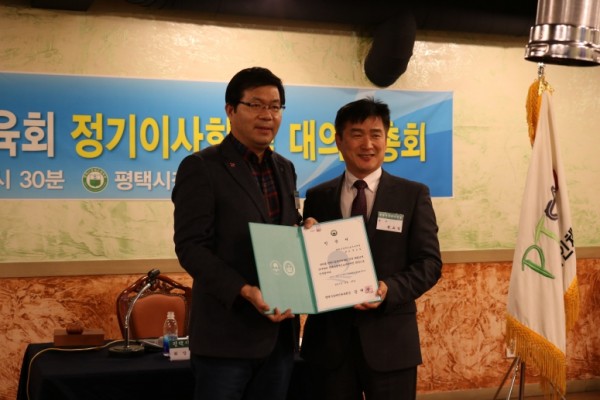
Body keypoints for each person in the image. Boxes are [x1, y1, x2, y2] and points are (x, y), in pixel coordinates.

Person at [172, 67, 302, 400]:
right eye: (256, 105)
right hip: (225, 339)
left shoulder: (285, 168)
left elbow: (284, 229)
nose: (267, 115)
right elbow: (191, 247)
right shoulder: (202, 166)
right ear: (230, 110)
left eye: (275, 106)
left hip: (279, 335)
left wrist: (306, 231)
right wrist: (244, 291)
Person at [300, 97, 442, 400]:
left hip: (391, 344)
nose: (368, 144)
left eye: (376, 134)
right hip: (329, 345)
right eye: (357, 134)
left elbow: (429, 263)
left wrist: (388, 289)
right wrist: (303, 241)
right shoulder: (317, 196)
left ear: (386, 139)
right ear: (339, 141)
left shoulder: (413, 195)